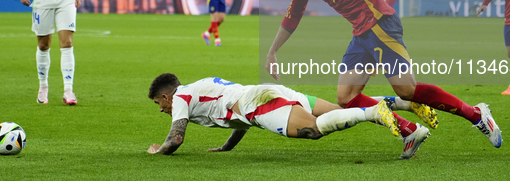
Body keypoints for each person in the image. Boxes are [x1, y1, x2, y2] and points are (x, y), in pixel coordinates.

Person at [263, 0, 502, 153]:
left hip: (379, 23)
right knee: (346, 97)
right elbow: (293, 14)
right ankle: (409, 131)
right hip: (361, 33)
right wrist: (273, 51)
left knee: (407, 90)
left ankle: (477, 114)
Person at [147, 73, 404, 157]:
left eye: (159, 103)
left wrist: (158, 151)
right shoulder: (199, 88)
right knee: (342, 112)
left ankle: (374, 111)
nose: (160, 109)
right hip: (264, 92)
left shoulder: (180, 97)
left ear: (167, 96)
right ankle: (403, 104)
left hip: (257, 102)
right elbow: (240, 118)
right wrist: (226, 147)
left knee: (313, 130)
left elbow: (175, 140)